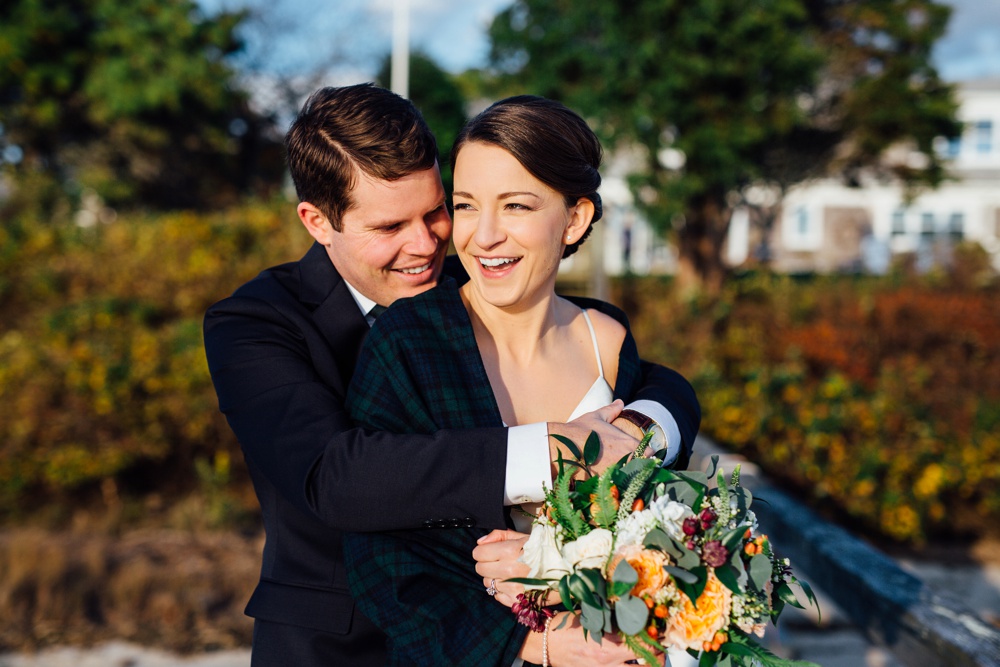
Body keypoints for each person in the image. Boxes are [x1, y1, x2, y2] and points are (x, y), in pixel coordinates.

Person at [203, 83, 700, 667]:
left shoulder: (477, 280)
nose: (426, 245)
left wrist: (644, 427)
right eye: (389, 227)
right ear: (316, 221)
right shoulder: (256, 323)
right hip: (338, 646)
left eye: (438, 211)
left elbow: (658, 385)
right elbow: (334, 478)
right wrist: (552, 452)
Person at [344, 95, 697, 666]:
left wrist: (588, 567)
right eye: (465, 205)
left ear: (574, 219)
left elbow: (652, 518)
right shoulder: (409, 343)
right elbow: (382, 559)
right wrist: (536, 643)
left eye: (516, 206)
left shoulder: (605, 341)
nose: (483, 236)